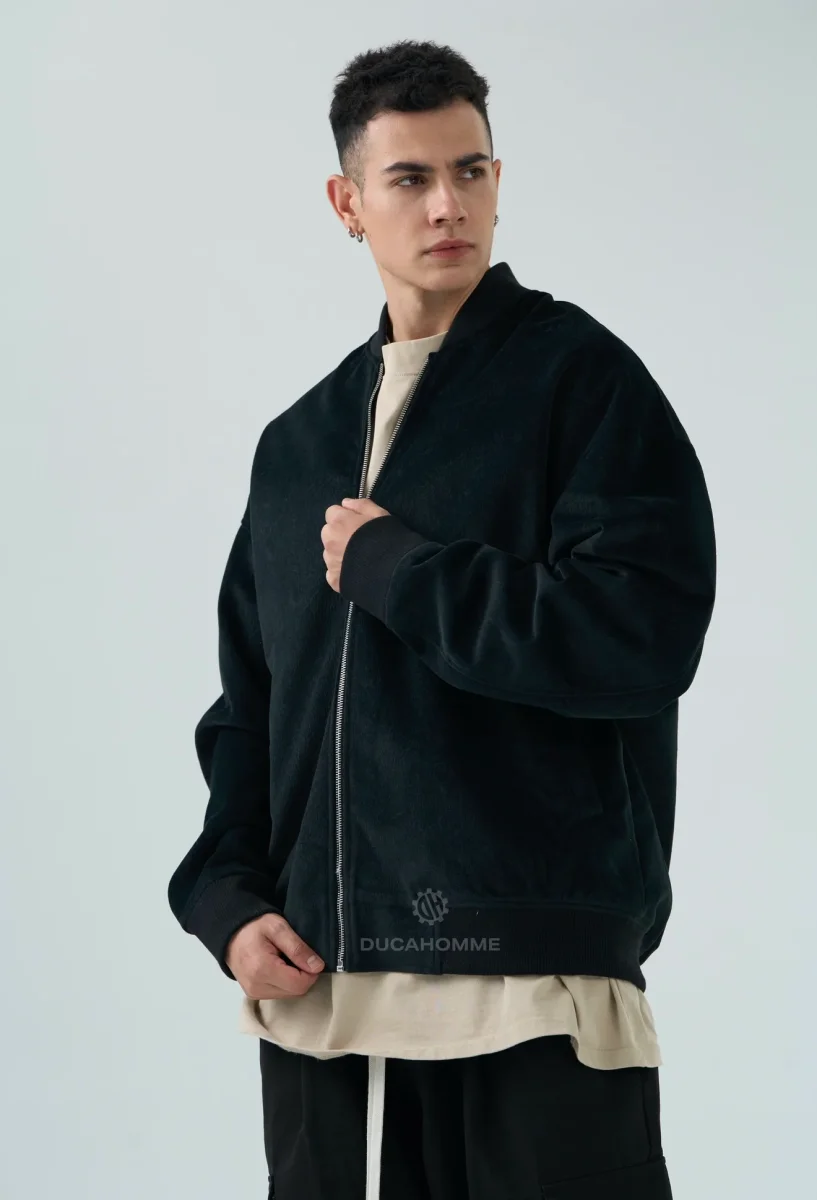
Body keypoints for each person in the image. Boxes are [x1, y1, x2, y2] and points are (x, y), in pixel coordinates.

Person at [167, 38, 717, 1200]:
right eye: (410, 178)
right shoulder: (297, 450)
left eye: (469, 172)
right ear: (347, 204)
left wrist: (402, 572)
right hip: (323, 1004)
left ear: (498, 180)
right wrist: (226, 900)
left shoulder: (581, 384)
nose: (447, 205)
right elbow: (253, 710)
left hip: (533, 988)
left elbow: (640, 636)